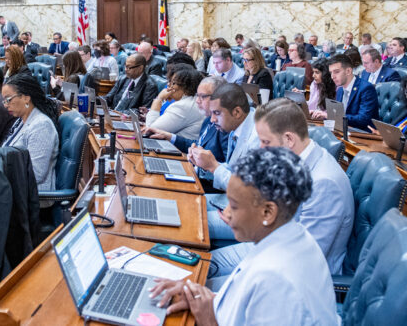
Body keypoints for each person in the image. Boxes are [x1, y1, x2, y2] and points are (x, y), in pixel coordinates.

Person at [148, 147, 339, 325]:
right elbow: (245, 307)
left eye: (234, 205)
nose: (226, 213)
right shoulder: (290, 238)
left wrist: (209, 320)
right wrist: (200, 297)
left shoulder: (277, 280)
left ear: (267, 212)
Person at [210, 99, 353, 277]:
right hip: (273, 246)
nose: (261, 149)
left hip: (290, 272)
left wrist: (249, 225)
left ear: (288, 139)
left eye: (266, 142)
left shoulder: (324, 183)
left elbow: (305, 255)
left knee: (206, 270)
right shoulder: (296, 158)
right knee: (204, 262)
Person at [145, 75, 229, 170]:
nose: (197, 101)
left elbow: (229, 172)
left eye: (203, 96)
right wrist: (170, 137)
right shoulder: (208, 119)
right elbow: (199, 145)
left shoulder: (227, 126)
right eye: (197, 95)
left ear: (220, 97)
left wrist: (211, 166)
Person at [189, 83, 260, 195]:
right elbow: (232, 171)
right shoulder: (239, 126)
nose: (212, 120)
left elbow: (245, 190)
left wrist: (213, 166)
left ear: (237, 112)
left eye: (217, 113)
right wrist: (204, 165)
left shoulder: (257, 138)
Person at [0, 73, 60, 193]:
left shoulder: (41, 126)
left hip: (31, 198)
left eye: (8, 99)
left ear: (26, 97)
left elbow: (36, 174)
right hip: (13, 190)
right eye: (4, 101)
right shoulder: (21, 120)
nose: (6, 105)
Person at [145, 67, 205, 140]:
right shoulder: (191, 101)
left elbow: (149, 131)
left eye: (173, 83)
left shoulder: (183, 106)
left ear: (185, 87)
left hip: (179, 150)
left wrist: (159, 99)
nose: (169, 85)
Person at [329, 54, 379, 130]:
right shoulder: (339, 90)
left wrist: (333, 116)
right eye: (331, 73)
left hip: (363, 134)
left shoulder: (366, 88)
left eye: (336, 72)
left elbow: (363, 119)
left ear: (348, 71)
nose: (332, 76)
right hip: (344, 130)